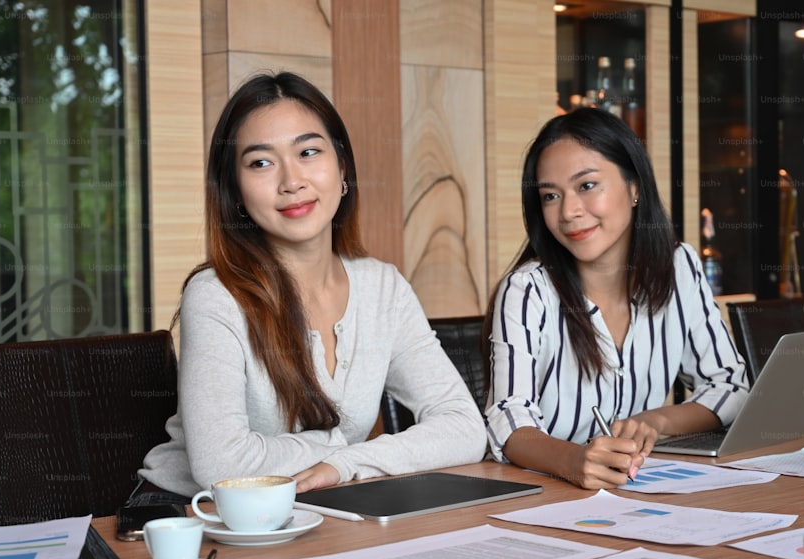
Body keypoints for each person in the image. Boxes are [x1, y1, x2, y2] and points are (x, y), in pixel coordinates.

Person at [133, 71, 486, 504]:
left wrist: (346, 465)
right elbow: (221, 466)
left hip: (316, 509)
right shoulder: (216, 295)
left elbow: (465, 428)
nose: (291, 181)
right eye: (261, 162)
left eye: (308, 152)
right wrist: (343, 448)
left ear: (342, 170)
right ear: (236, 194)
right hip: (192, 515)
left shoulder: (383, 289)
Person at [484, 108, 749, 490]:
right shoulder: (528, 290)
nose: (569, 211)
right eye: (551, 195)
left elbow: (731, 385)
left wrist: (656, 422)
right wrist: (574, 461)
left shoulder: (679, 266)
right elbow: (508, 418)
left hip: (640, 490)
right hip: (549, 495)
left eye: (587, 186)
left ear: (635, 187)